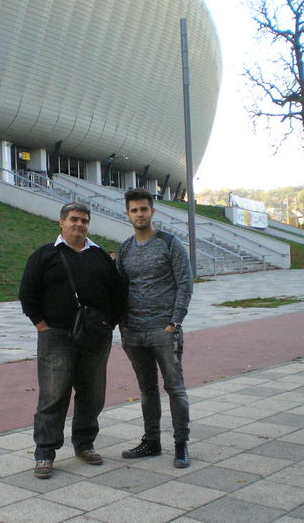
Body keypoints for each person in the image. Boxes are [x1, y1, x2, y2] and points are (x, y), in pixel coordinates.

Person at [19, 202, 124, 479]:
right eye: (74, 219)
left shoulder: (100, 256)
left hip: (95, 339)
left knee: (92, 394)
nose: (80, 224)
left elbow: (118, 295)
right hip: (56, 337)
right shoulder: (45, 255)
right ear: (61, 222)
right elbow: (28, 293)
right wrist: (42, 326)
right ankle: (45, 453)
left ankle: (85, 444)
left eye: (85, 220)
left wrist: (107, 326)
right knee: (53, 396)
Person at [116, 188, 193, 469]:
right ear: (128, 214)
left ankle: (181, 445)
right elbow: (121, 288)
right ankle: (151, 441)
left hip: (164, 330)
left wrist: (175, 322)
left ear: (152, 212)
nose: (139, 214)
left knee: (175, 388)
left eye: (144, 209)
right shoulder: (124, 249)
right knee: (147, 389)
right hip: (133, 332)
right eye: (134, 210)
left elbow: (185, 283)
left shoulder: (170, 244)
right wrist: (123, 325)